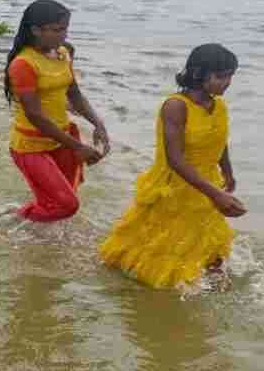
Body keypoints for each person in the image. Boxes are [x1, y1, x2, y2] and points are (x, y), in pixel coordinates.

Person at [98, 44, 247, 289]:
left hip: (208, 181)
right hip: (175, 185)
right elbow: (175, 160)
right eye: (221, 76)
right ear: (199, 73)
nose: (228, 82)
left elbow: (220, 140)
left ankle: (211, 280)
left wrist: (227, 173)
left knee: (208, 238)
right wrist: (215, 193)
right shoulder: (176, 106)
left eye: (231, 76)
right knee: (164, 242)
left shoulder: (218, 105)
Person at [4, 0, 110, 222]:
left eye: (66, 29)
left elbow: (75, 95)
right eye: (57, 30)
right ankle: (17, 217)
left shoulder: (62, 53)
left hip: (61, 138)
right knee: (67, 205)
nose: (63, 35)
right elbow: (35, 116)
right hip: (31, 146)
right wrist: (78, 147)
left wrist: (98, 124)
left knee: (61, 199)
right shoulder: (23, 64)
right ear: (35, 30)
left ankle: (39, 234)